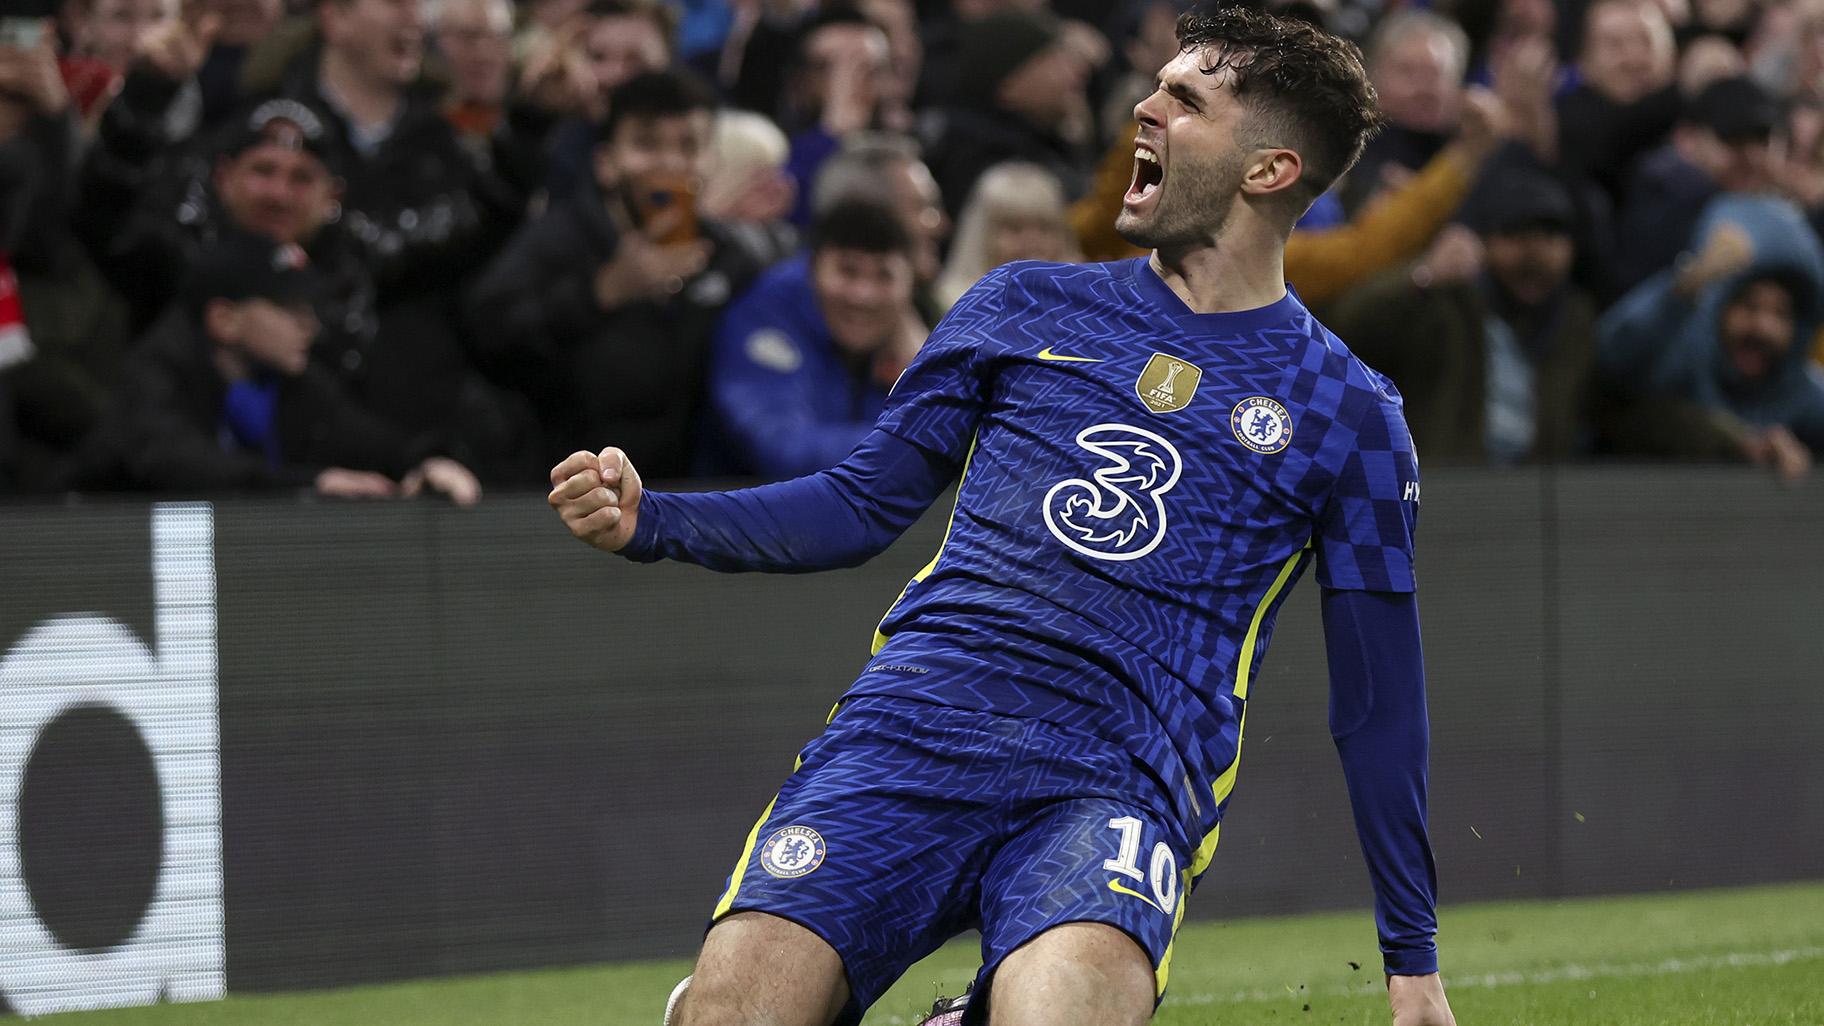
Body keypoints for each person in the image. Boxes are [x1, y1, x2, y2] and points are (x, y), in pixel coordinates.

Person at [550, 8, 1453, 1026]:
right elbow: (856, 506)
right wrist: (654, 521)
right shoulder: (1022, 303)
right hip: (912, 731)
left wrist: (1411, 963)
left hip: (1120, 778)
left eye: (1186, 102)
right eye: (1155, 86)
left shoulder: (1351, 414)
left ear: (1268, 170)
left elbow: (1378, 704)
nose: (1144, 110)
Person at [467, 69, 762, 482]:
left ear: (711, 162)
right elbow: (485, 332)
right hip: (563, 493)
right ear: (606, 163)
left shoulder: (732, 258)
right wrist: (600, 293)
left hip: (690, 501)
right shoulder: (560, 239)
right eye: (646, 143)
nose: (669, 163)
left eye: (689, 145)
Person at [72, 229, 481, 502]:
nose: (309, 326)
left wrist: (428, 463)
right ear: (224, 320)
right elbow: (172, 462)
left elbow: (367, 439)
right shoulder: (157, 370)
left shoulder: (292, 381)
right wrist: (308, 484)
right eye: (289, 309)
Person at [1328, 159, 1598, 464]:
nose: (1534, 253)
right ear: (1485, 241)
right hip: (1455, 485)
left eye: (1550, 235)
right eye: (1517, 234)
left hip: (1542, 491)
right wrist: (1425, 275)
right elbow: (1349, 327)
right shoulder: (1447, 303)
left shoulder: (1575, 318)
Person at [1599, 194, 1824, 480]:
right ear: (1719, 308)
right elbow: (1612, 360)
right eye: (1748, 306)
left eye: (1781, 314)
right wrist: (1683, 289)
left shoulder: (1800, 391)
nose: (1762, 327)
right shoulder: (1684, 364)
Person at [697, 198, 918, 479]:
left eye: (884, 276)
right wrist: (920, 435)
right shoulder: (764, 320)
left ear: (910, 284)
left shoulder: (906, 335)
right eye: (848, 271)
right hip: (732, 516)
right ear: (813, 267)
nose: (864, 295)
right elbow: (782, 450)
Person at [1612, 75, 1783, 292]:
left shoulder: (1783, 209)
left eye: (1762, 140)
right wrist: (1690, 281)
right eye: (1734, 139)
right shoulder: (1660, 208)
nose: (1753, 157)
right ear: (1687, 140)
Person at [935, 160, 1081, 311]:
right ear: (981, 237)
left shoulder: (1084, 307)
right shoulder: (951, 310)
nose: (1033, 243)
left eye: (1045, 228)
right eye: (1015, 228)